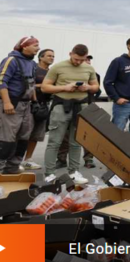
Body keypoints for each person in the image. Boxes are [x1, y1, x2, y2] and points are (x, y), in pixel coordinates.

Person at [41, 44, 99, 184]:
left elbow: (96, 87)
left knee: (76, 142)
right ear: (70, 54)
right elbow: (44, 87)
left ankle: (74, 172)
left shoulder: (89, 68)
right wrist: (64, 88)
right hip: (61, 106)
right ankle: (49, 174)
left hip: (81, 106)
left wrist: (88, 87)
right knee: (54, 142)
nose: (78, 62)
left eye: (81, 60)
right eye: (76, 59)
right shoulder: (58, 67)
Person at [0, 37, 39, 174]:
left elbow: (31, 83)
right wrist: (6, 102)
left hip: (26, 105)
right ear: (24, 46)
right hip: (12, 104)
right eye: (35, 45)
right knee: (7, 138)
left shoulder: (32, 63)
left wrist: (35, 102)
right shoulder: (11, 60)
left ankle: (12, 167)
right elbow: (1, 81)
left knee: (24, 137)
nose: (38, 48)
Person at [14, 48, 54, 171]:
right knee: (22, 133)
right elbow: (26, 83)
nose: (52, 58)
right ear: (41, 57)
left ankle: (28, 160)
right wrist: (42, 86)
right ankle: (15, 160)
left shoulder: (52, 72)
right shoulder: (33, 68)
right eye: (49, 56)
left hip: (44, 105)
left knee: (36, 134)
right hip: (30, 104)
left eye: (53, 56)